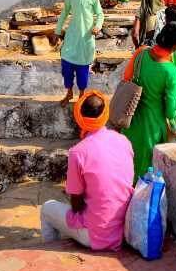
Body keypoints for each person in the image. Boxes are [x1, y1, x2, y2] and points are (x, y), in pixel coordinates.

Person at [39, 91, 134, 250]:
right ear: (105, 114)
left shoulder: (78, 152)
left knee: (47, 208)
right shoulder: (123, 141)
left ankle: (50, 252)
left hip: (96, 235)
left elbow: (76, 205)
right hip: (124, 229)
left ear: (79, 116)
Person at [121, 22, 176, 181]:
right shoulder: (171, 72)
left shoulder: (141, 53)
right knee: (144, 173)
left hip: (131, 119)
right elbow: (170, 110)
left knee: (128, 166)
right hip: (152, 127)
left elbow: (126, 78)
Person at [54, 0, 104, 106]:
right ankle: (69, 92)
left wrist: (98, 26)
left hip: (86, 39)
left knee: (82, 70)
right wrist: (57, 31)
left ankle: (82, 96)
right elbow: (64, 14)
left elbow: (100, 14)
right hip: (72, 37)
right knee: (67, 66)